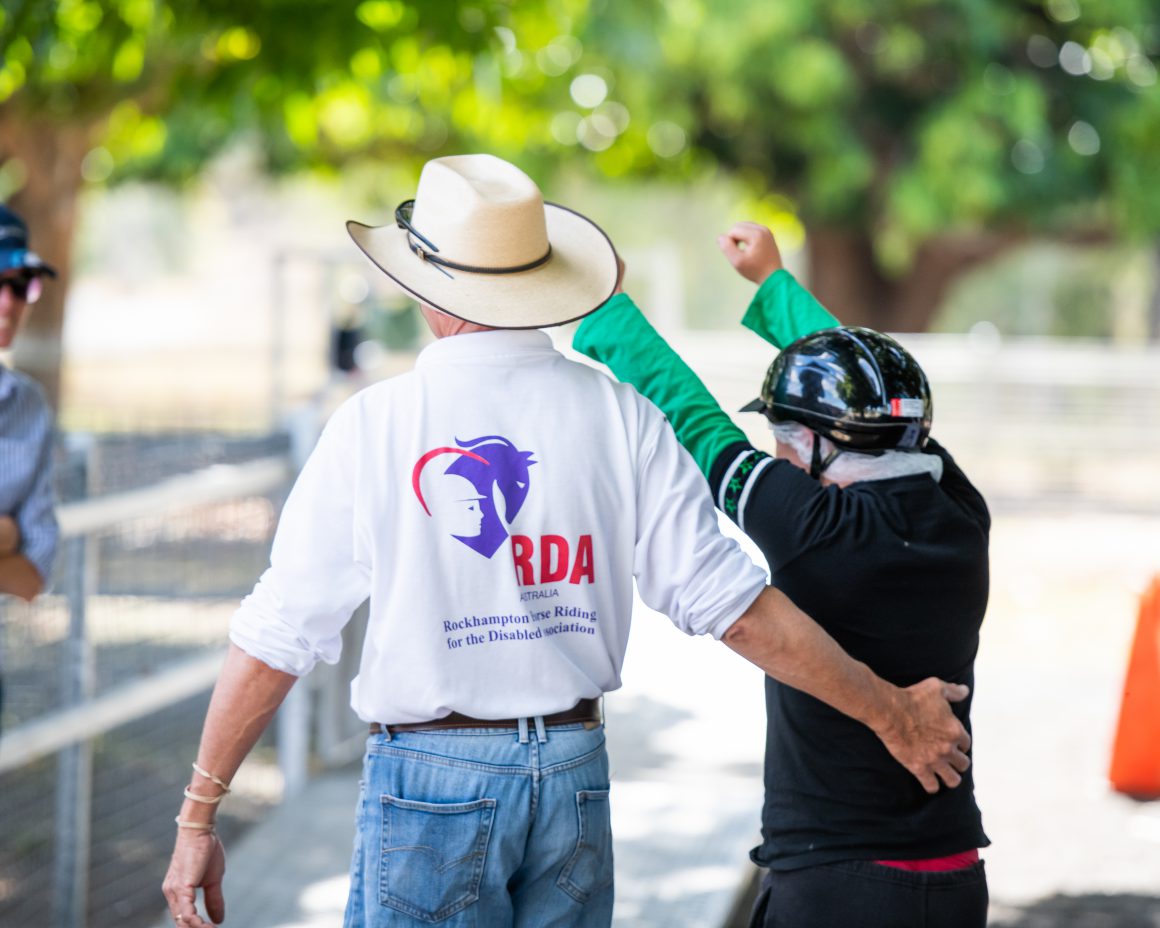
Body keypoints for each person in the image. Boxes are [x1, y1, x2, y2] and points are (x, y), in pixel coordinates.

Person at [162, 157, 973, 928]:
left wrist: (199, 814)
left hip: (429, 779)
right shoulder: (619, 417)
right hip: (573, 776)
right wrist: (891, 712)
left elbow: (279, 633)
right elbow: (734, 608)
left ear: (429, 289)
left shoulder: (376, 426)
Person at [573, 221, 990, 928]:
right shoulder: (960, 509)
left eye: (784, 442)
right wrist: (772, 285)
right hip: (954, 877)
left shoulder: (815, 529)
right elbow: (881, 401)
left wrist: (605, 308)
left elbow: (696, 422)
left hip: (835, 881)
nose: (780, 458)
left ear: (817, 446)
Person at [0, 204, 60, 729]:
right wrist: (5, 532)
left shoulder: (29, 408)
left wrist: (19, 541)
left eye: (22, 285)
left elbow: (33, 576)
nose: (8, 303)